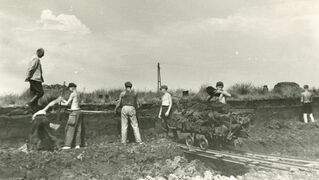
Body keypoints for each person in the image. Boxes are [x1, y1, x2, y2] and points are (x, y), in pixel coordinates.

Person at [61, 83, 84, 150]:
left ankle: (68, 145)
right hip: (79, 112)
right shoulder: (78, 94)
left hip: (74, 113)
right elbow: (73, 103)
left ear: (72, 87)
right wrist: (63, 100)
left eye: (69, 88)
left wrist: (60, 101)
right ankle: (77, 145)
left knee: (70, 128)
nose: (69, 89)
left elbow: (66, 104)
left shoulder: (72, 94)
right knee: (78, 129)